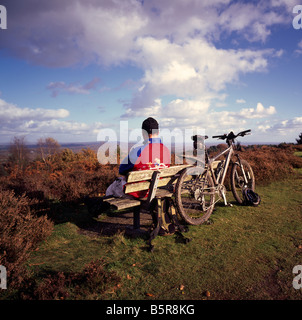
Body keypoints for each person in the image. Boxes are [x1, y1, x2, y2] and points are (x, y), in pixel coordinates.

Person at [119, 117, 171, 198]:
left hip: (140, 193)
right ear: (158, 132)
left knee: (112, 187)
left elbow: (121, 170)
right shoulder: (166, 150)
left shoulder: (137, 151)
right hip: (159, 188)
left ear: (143, 133)